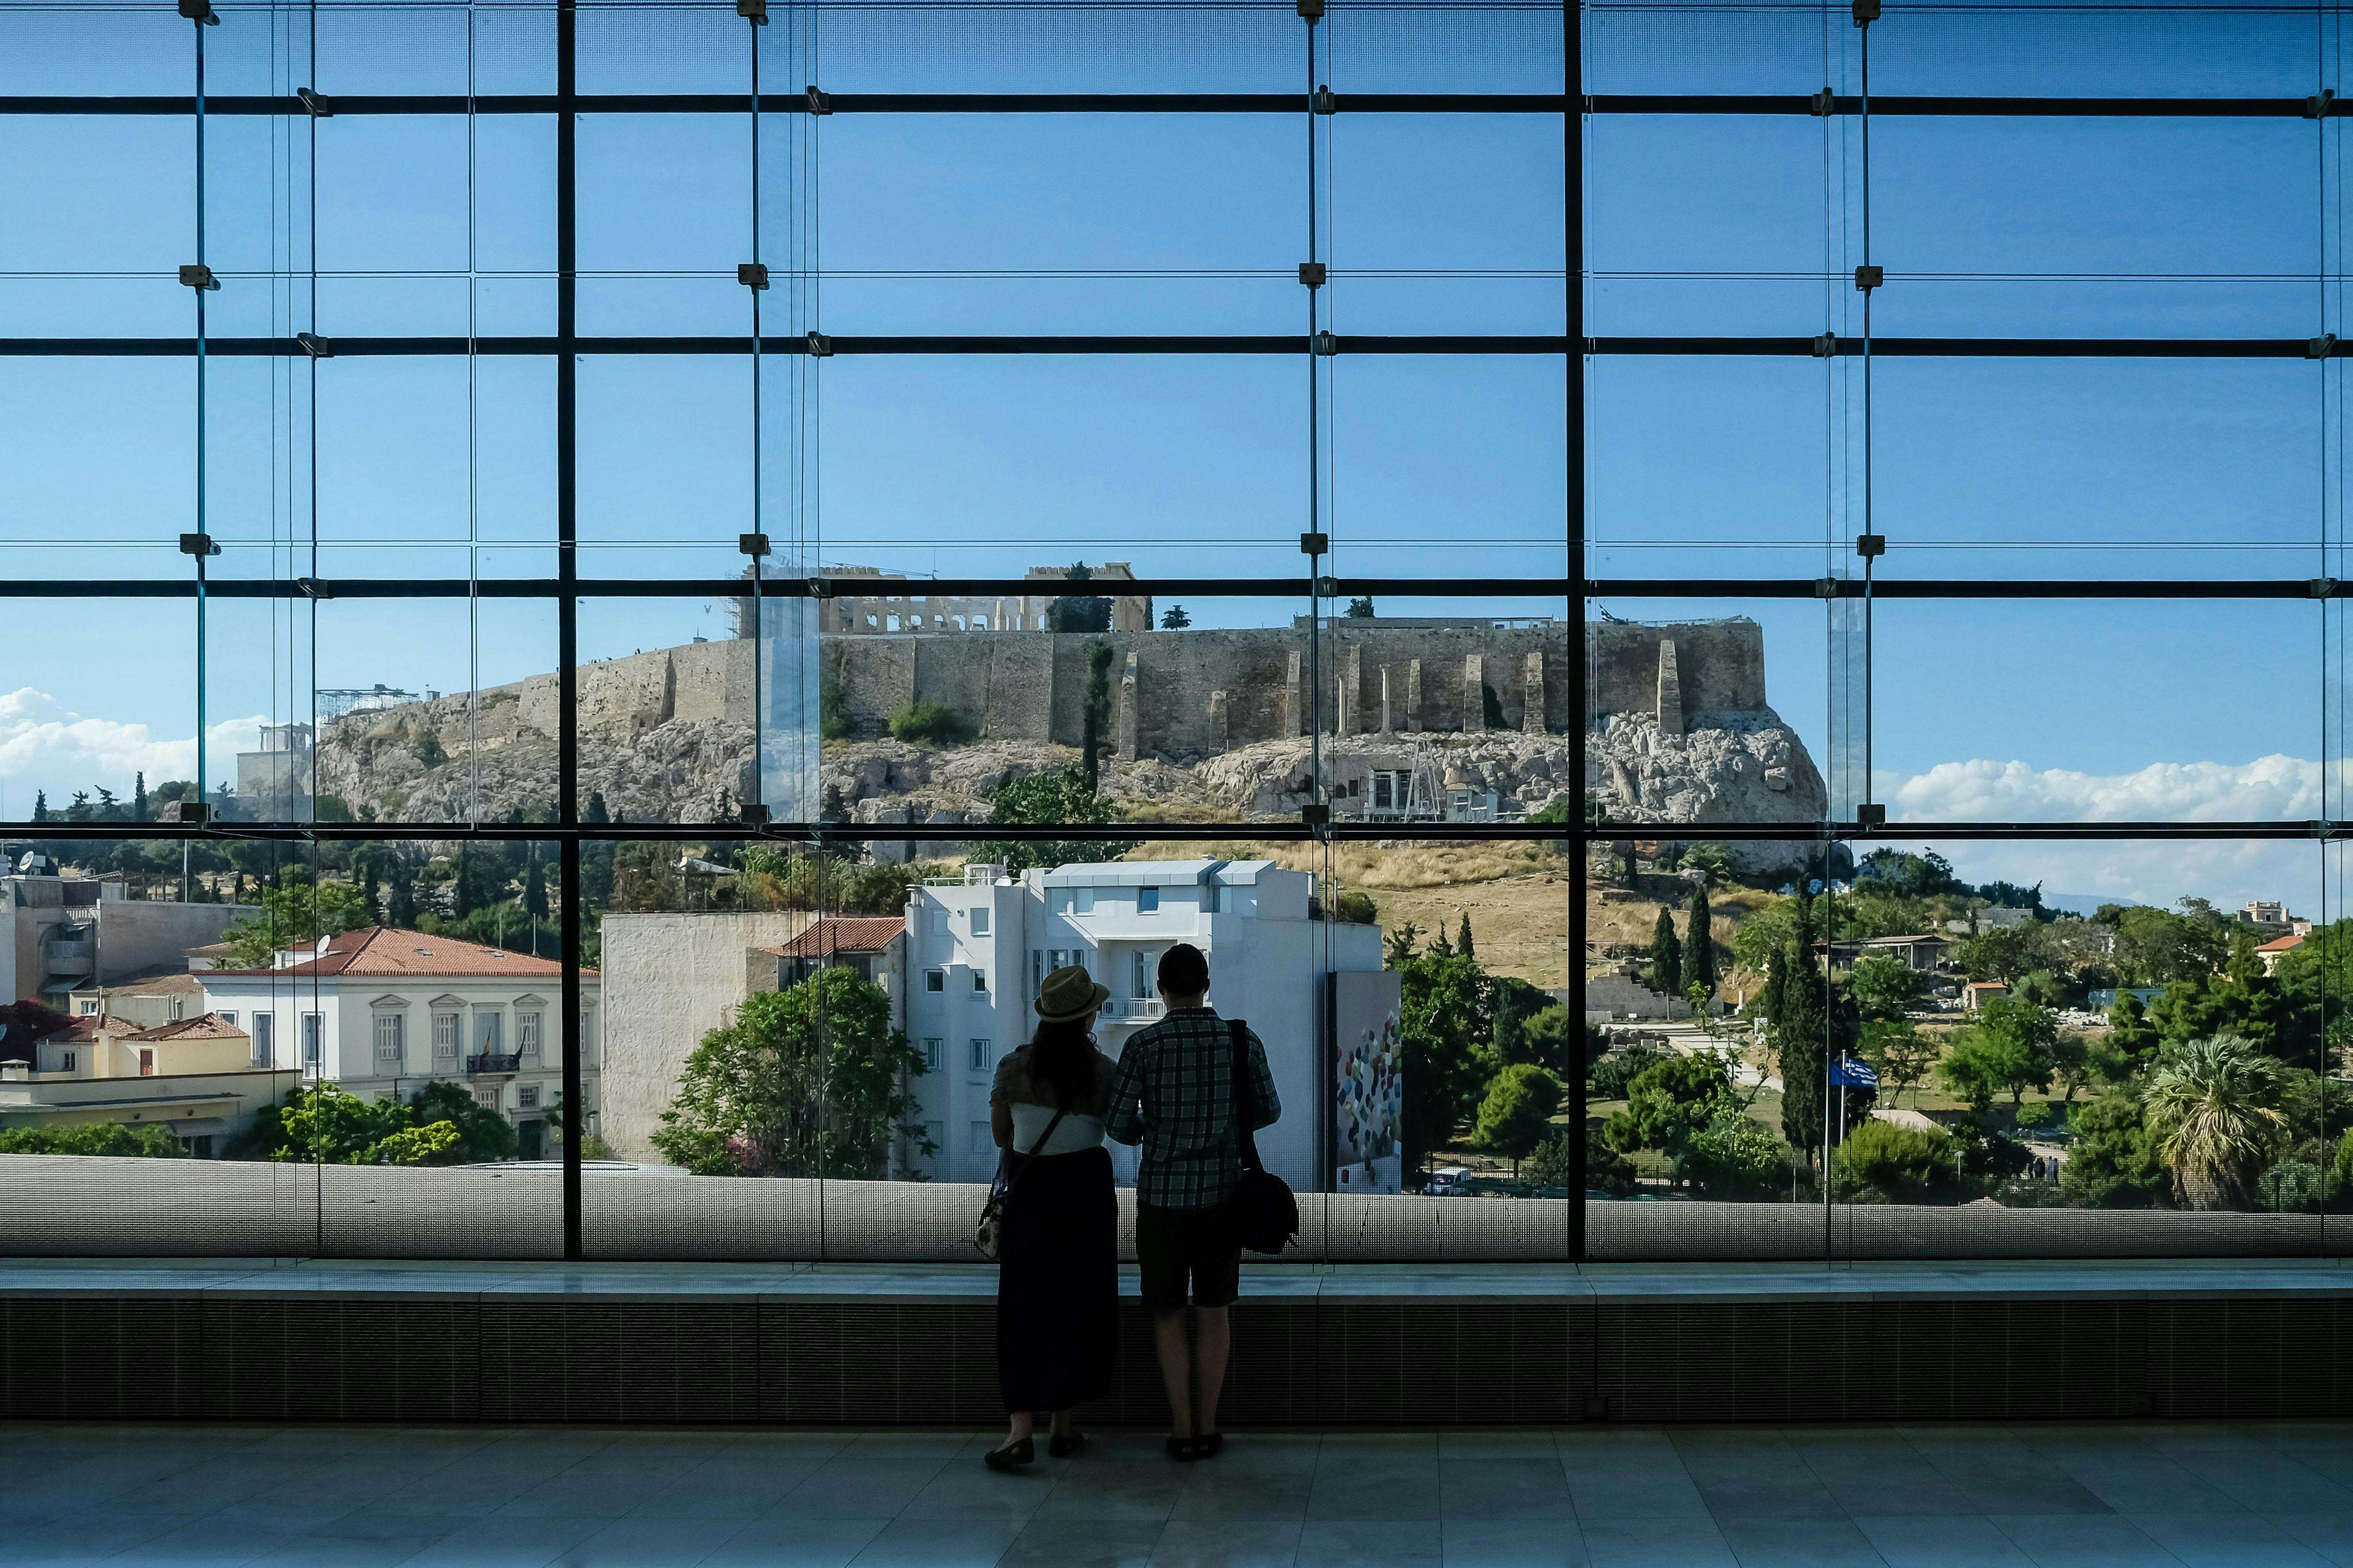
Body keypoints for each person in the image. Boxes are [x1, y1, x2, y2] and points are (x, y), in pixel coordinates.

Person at [1105, 942, 1280, 1462]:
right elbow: (1268, 1109)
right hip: (1223, 1197)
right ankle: (1208, 1426)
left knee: (1166, 1313)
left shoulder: (1142, 1045)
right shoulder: (1240, 1040)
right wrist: (1222, 1127)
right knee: (1213, 1312)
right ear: (1207, 986)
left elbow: (1117, 1123)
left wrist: (1155, 1132)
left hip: (1161, 1198)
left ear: (1161, 990)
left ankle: (1181, 1429)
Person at [983, 964, 1123, 1473]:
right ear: (1087, 1018)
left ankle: (1020, 1432)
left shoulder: (1012, 1067)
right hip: (1085, 1191)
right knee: (1077, 1301)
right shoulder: (1103, 1072)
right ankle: (1063, 1426)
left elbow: (1002, 1135)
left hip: (1030, 1191)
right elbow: (1121, 1127)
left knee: (1023, 1305)